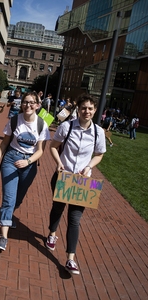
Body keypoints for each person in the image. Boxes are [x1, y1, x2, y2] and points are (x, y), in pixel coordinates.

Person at [46, 93, 106, 275]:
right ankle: (52, 233)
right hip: (63, 177)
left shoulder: (98, 132)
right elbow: (53, 147)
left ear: (95, 110)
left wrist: (89, 167)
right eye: (83, 108)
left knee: (75, 219)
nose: (86, 111)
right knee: (57, 208)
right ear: (78, 110)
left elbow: (99, 154)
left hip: (82, 182)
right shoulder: (67, 127)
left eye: (90, 108)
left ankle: (70, 258)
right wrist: (59, 163)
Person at [0, 91, 50, 250]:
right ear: (21, 104)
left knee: (18, 198)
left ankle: (8, 215)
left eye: (31, 103)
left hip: (29, 164)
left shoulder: (42, 124)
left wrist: (28, 161)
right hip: (10, 160)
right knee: (8, 198)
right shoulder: (15, 120)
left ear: (37, 105)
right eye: (25, 102)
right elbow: (4, 143)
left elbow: (40, 151)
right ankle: (3, 237)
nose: (28, 105)